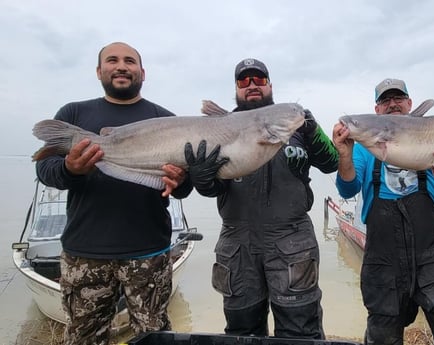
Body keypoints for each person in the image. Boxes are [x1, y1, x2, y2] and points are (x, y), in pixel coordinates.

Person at [35, 42, 216, 345]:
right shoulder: (75, 114)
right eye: (112, 60)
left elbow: (184, 187)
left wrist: (181, 179)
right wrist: (70, 168)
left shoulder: (169, 121)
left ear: (142, 72)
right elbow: (46, 172)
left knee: (155, 336)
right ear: (99, 71)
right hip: (85, 253)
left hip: (149, 253)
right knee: (83, 338)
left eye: (130, 61)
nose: (121, 66)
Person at [332, 78, 434, 344]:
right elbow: (348, 190)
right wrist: (344, 155)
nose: (392, 104)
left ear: (410, 103)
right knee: (382, 339)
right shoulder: (363, 148)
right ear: (377, 110)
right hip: (383, 262)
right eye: (385, 100)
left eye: (398, 98)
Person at [188, 58, 339, 339]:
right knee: (242, 331)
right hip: (237, 245)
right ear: (236, 89)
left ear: (270, 85)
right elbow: (213, 190)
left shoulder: (295, 125)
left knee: (300, 331)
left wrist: (311, 129)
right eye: (244, 81)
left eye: (259, 80)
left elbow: (331, 162)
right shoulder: (219, 129)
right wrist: (202, 178)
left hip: (293, 241)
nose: (252, 85)